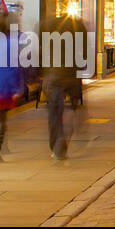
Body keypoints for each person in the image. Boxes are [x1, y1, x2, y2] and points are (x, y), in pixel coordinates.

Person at [40, 11, 87, 159]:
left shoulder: (47, 25)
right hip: (71, 74)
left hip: (53, 74)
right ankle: (64, 137)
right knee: (73, 110)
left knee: (54, 111)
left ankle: (57, 142)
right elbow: (85, 52)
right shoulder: (77, 25)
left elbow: (40, 51)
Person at [0, 10, 25, 163]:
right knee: (1, 120)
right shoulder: (10, 43)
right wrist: (17, 89)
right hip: (2, 88)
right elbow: (14, 69)